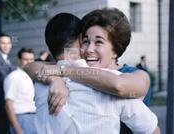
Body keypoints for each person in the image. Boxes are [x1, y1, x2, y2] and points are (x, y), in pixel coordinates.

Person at [25, 11, 160, 134]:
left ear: (115, 50)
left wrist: (61, 71)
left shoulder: (132, 75)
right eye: (85, 41)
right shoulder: (61, 72)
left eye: (98, 42)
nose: (89, 49)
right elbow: (30, 67)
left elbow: (118, 85)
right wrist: (55, 78)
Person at [4, 48, 36, 134]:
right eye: (25, 59)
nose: (29, 62)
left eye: (31, 59)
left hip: (34, 119)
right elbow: (8, 105)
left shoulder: (31, 77)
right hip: (21, 119)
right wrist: (18, 129)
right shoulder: (14, 77)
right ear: (19, 60)